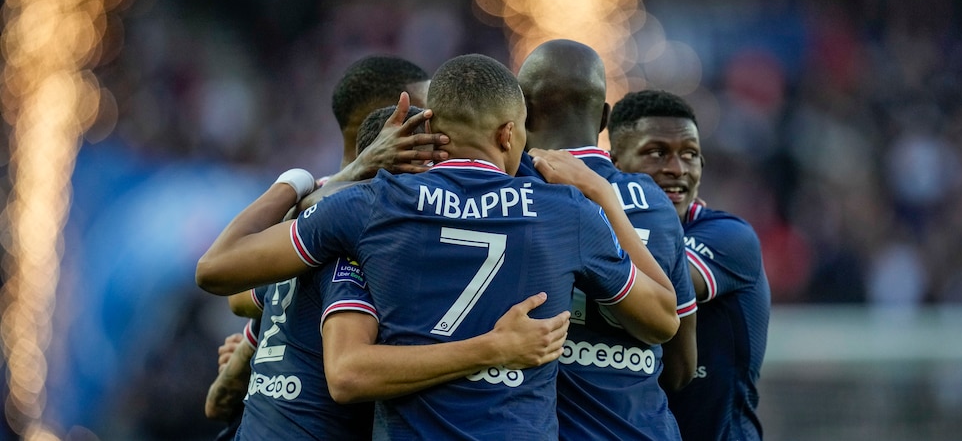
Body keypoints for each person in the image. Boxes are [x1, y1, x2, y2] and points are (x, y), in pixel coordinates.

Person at [195, 54, 680, 439]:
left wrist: (298, 180)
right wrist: (602, 196)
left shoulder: (370, 205)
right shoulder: (565, 211)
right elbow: (663, 320)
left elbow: (217, 270)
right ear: (508, 132)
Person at [202, 54, 441, 438]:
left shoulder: (313, 203)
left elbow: (246, 295)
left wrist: (252, 344)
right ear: (392, 122)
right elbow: (233, 287)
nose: (437, 123)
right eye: (425, 113)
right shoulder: (361, 213)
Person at [516, 39, 698, 439]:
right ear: (604, 117)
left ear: (521, 110)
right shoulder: (654, 199)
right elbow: (682, 364)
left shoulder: (507, 191)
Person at [608, 89, 771, 441]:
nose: (676, 169)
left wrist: (599, 195)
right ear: (615, 163)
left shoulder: (730, 237)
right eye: (656, 153)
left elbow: (659, 280)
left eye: (690, 155)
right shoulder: (598, 229)